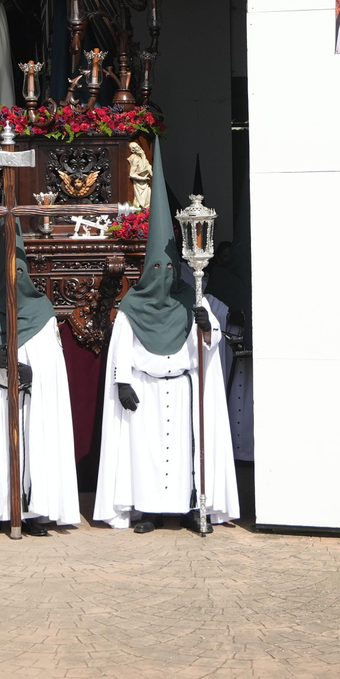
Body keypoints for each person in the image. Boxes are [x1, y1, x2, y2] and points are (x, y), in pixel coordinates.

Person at [92, 140, 240, 534]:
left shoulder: (192, 300)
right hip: (146, 390)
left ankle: (193, 506)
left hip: (183, 388)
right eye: (154, 267)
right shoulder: (131, 308)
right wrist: (122, 381)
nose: (162, 274)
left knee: (187, 452)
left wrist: (205, 326)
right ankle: (152, 511)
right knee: (150, 455)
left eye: (167, 267)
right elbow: (121, 346)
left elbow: (212, 343)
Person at [0, 220, 80, 536]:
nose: (15, 281)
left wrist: (33, 374)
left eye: (20, 274)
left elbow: (53, 364)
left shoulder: (42, 310)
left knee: (32, 449)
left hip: (29, 399)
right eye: (9, 274)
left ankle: (33, 513)